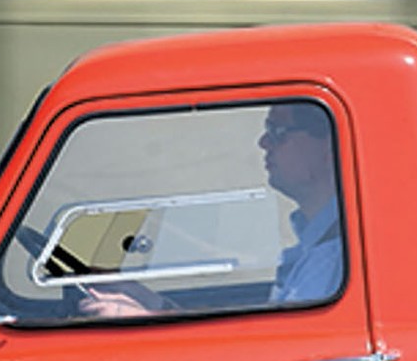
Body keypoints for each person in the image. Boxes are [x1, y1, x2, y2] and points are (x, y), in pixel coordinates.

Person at [81, 102, 341, 317]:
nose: (263, 142)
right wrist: (155, 305)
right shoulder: (319, 245)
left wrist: (145, 320)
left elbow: (276, 353)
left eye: (277, 132)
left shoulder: (331, 257)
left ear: (329, 146)